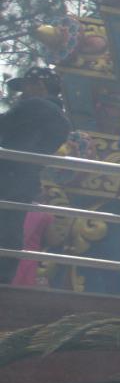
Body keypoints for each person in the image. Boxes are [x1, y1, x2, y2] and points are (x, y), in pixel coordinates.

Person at [0, 68, 71, 283]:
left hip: (7, 178)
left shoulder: (36, 106)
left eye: (25, 88)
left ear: (40, 86)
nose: (21, 95)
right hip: (22, 182)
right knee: (9, 231)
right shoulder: (61, 119)